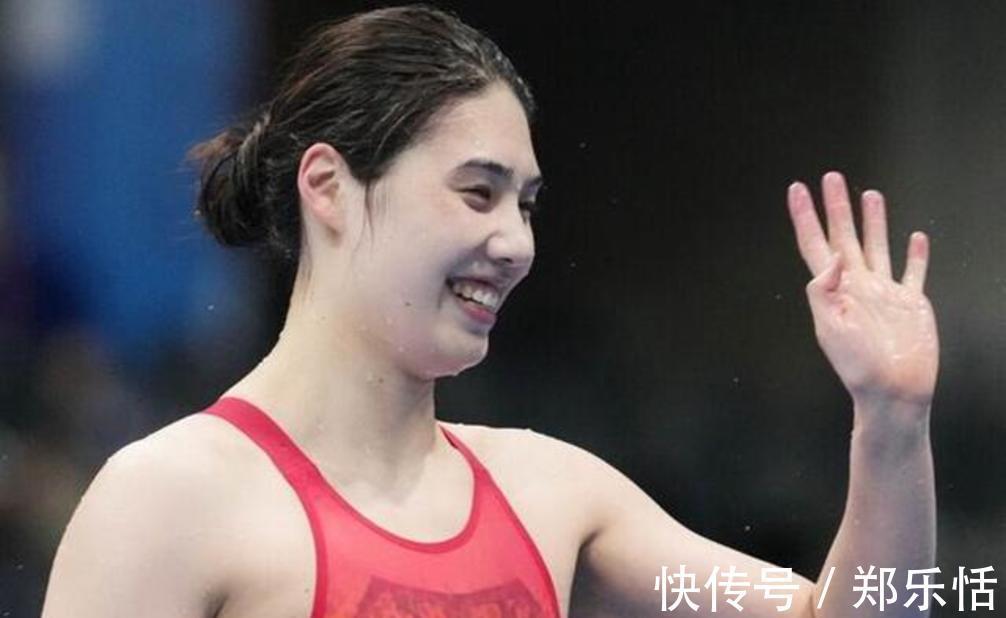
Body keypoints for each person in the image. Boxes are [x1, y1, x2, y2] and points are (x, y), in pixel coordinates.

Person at [41, 5, 938, 617]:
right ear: (329, 187)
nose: (516, 243)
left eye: (527, 204)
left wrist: (893, 422)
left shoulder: (554, 495)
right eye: (478, 193)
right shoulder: (168, 501)